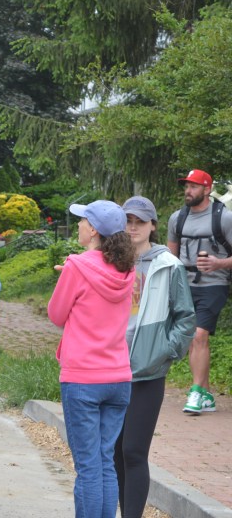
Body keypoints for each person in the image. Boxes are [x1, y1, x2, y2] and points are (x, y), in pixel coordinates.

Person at [49, 200, 136, 518]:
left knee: (87, 467)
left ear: (95, 230)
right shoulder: (127, 269)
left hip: (83, 378)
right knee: (104, 462)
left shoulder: (77, 266)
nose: (79, 225)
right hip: (118, 377)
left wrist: (68, 277)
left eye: (83, 220)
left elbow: (56, 314)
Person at [117, 196, 195, 518]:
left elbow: (186, 318)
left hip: (147, 372)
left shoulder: (168, 265)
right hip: (110, 368)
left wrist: (164, 352)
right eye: (128, 221)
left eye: (140, 221)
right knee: (114, 452)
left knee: (134, 451)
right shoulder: (112, 260)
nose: (133, 227)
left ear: (153, 225)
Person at [165, 169, 232, 415]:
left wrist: (218, 263)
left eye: (193, 186)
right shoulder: (177, 218)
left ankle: (195, 392)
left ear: (207, 189)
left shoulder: (224, 218)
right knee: (193, 340)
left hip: (214, 284)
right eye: (186, 186)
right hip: (185, 285)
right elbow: (170, 256)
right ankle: (207, 395)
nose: (188, 191)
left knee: (198, 335)